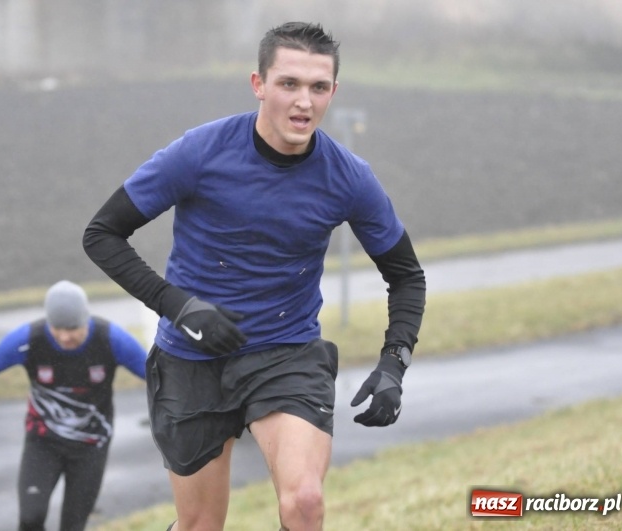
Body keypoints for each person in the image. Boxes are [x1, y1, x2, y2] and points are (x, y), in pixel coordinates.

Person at [83, 21, 426, 531]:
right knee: (201, 526)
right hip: (191, 358)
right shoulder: (200, 152)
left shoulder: (348, 177)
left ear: (335, 90)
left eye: (318, 87)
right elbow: (103, 234)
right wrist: (179, 306)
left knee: (305, 503)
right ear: (258, 84)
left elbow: (405, 274)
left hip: (286, 353)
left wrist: (395, 362)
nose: (304, 101)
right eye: (288, 83)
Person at [0, 280, 148, 531]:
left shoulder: (111, 339)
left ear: (86, 320)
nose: (65, 337)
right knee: (30, 518)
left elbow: (157, 377)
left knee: (73, 526)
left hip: (91, 446)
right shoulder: (30, 339)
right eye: (57, 328)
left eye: (73, 328)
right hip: (43, 442)